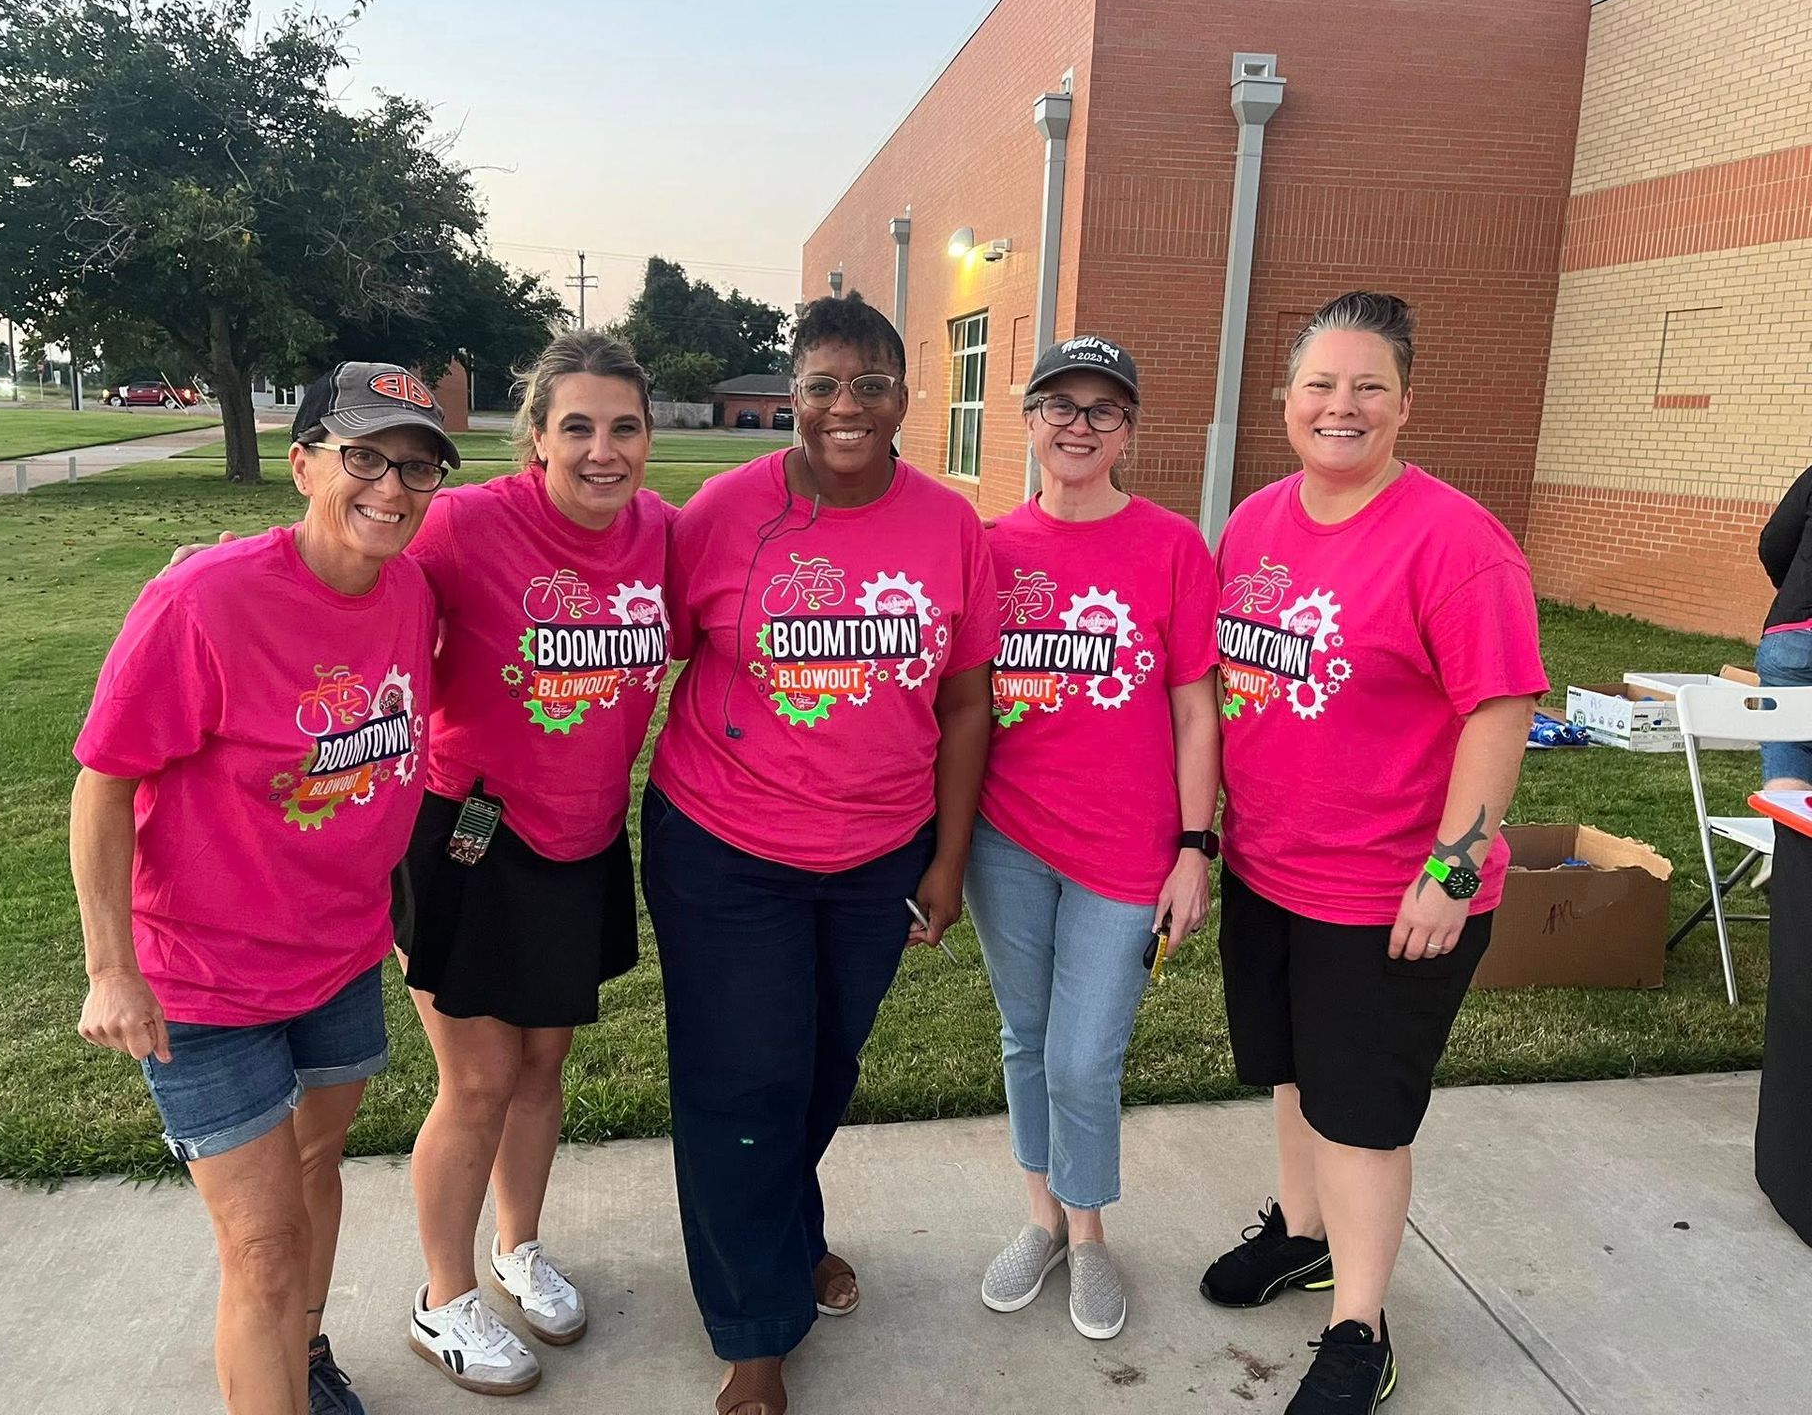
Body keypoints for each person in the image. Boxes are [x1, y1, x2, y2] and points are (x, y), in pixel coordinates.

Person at [72, 363, 456, 1415]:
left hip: (336, 957)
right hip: (202, 980)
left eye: (415, 467)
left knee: (317, 1164)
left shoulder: (409, 589)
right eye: (363, 457)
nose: (390, 486)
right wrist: (111, 970)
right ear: (301, 466)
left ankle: (308, 1355)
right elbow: (103, 786)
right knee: (262, 1246)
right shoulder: (203, 601)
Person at [641, 292, 997, 1415]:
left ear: (906, 397)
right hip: (725, 845)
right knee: (741, 1079)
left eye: (872, 385)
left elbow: (969, 702)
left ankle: (790, 1238)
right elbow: (633, 644)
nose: (848, 407)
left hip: (877, 855)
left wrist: (946, 862)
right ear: (789, 399)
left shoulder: (950, 528)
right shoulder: (718, 516)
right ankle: (754, 1328)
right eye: (823, 386)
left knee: (821, 1068)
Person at [1204, 292, 1545, 1414]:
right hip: (1272, 868)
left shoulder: (1456, 541)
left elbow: (1499, 714)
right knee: (1296, 1076)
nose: (1340, 407)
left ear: (1405, 405)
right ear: (1286, 400)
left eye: (1368, 388)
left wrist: (1451, 872)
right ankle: (1301, 1236)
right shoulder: (1253, 523)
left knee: (1361, 1114)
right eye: (1321, 385)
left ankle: (1361, 1326)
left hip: (1391, 891)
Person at [395, 331, 670, 1395]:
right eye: (579, 428)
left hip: (586, 834)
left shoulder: (659, 535)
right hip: (471, 836)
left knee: (543, 1071)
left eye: (624, 428)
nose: (603, 452)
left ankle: (517, 1248)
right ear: (537, 440)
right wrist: (229, 579)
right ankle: (442, 1299)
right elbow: (346, 571)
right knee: (476, 1081)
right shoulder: (466, 525)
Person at [964, 336, 1220, 1341]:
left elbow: (1199, 711)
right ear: (1027, 421)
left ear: (1129, 433)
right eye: (1059, 404)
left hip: (1127, 847)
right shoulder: (988, 549)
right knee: (1026, 1038)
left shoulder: (1168, 546)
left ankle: (1092, 1235)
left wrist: (1195, 847)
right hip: (1005, 842)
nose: (1078, 423)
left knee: (1083, 1058)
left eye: (1102, 409)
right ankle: (1045, 1222)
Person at [1756, 467, 1812, 789]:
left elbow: (1774, 543)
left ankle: (1791, 836)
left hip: (1795, 635)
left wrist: (1791, 587)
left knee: (1788, 744)